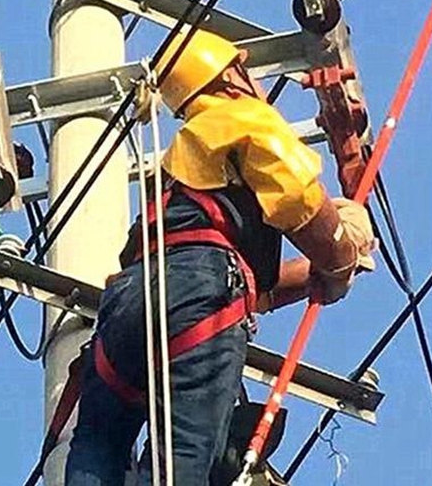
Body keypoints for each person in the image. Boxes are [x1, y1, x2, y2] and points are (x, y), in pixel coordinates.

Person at [64, 29, 376, 485]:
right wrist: (341, 250)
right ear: (231, 75)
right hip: (198, 294)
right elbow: (298, 199)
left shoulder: (173, 176)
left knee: (98, 441)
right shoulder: (239, 116)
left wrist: (317, 276)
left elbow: (235, 283)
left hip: (129, 308)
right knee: (182, 458)